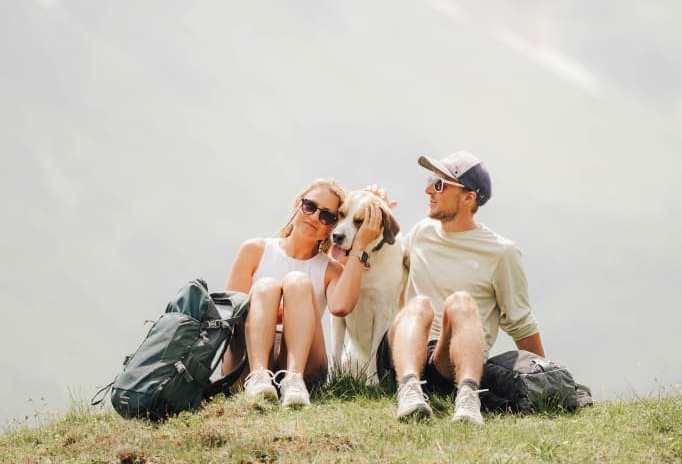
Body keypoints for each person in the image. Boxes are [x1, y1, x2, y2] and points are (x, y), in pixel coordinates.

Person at [377, 151, 545, 426]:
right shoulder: (422, 232)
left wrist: (543, 376)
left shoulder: (502, 253)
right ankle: (408, 389)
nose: (429, 189)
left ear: (469, 198)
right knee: (419, 306)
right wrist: (376, 209)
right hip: (404, 349)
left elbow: (521, 323)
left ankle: (468, 397)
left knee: (462, 303)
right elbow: (383, 262)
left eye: (440, 184)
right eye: (432, 180)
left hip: (451, 363)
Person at [225, 178, 382, 408]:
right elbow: (229, 316)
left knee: (298, 283)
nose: (315, 218)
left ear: (333, 226)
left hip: (303, 362)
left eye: (327, 216)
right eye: (310, 206)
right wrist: (266, 313)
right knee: (266, 286)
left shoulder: (330, 269)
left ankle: (293, 380)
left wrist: (359, 246)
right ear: (298, 204)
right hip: (247, 358)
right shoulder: (255, 250)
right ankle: (259, 378)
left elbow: (341, 307)